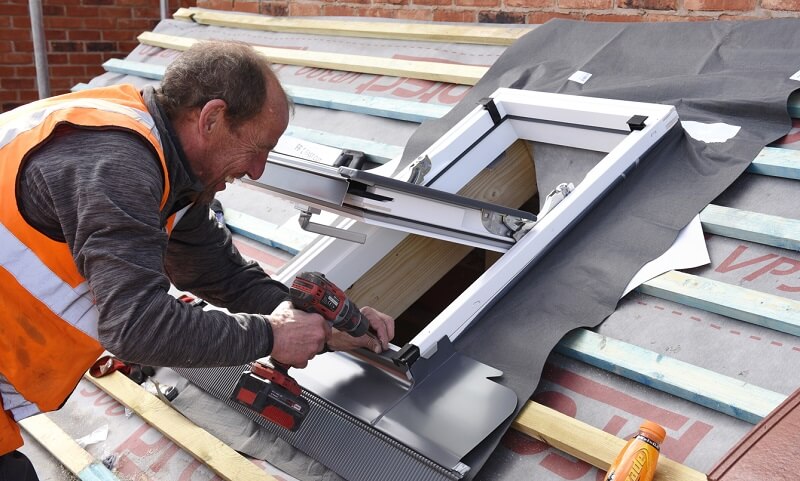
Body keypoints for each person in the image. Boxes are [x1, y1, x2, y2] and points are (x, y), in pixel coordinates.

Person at [0, 40, 395, 479]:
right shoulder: (118, 161)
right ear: (211, 118)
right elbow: (136, 326)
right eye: (258, 148)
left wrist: (323, 328)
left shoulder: (165, 166)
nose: (258, 170)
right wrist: (270, 337)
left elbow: (220, 274)